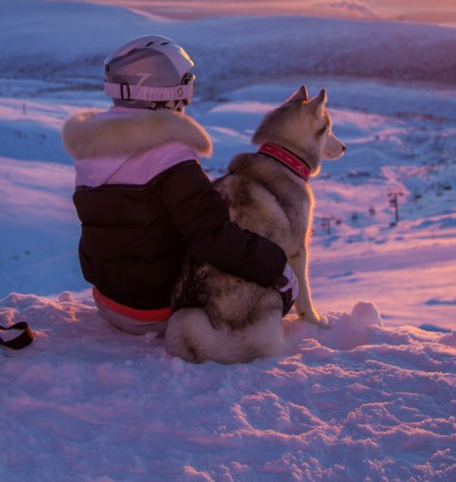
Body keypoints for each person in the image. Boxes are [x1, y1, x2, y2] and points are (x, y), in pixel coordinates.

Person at [61, 35, 293, 336]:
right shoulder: (169, 156)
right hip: (157, 308)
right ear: (163, 89)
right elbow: (212, 237)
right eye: (185, 82)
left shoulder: (90, 147)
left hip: (109, 302)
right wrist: (279, 268)